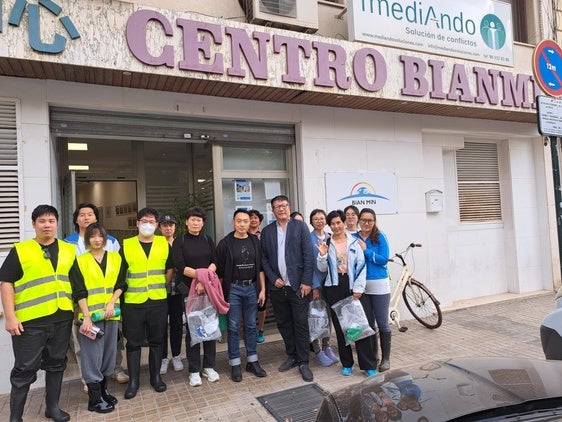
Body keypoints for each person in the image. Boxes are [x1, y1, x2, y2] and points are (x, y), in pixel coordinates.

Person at [0, 205, 76, 422]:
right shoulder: (21, 250)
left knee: (56, 364)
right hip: (30, 323)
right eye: (41, 221)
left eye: (51, 220)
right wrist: (10, 316)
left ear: (57, 223)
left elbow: (75, 283)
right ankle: (16, 417)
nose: (47, 225)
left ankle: (52, 408)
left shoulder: (68, 250)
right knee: (24, 370)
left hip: (61, 318)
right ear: (33, 224)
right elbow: (6, 283)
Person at [64, 203, 129, 386]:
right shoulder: (67, 243)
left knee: (113, 340)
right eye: (82, 214)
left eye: (90, 214)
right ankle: (88, 379)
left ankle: (114, 369)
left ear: (96, 218)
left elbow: (117, 274)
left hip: (110, 306)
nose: (86, 217)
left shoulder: (112, 242)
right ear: (76, 219)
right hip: (82, 304)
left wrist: (113, 302)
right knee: (84, 343)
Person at [71, 222, 126, 414]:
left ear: (105, 238)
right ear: (88, 239)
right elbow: (79, 291)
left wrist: (112, 303)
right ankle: (94, 400)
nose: (97, 239)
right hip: (90, 317)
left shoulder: (116, 258)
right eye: (92, 236)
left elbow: (121, 283)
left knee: (109, 352)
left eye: (100, 236)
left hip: (111, 314)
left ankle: (103, 392)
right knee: (91, 355)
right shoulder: (80, 261)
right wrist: (85, 316)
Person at [120, 208, 175, 399]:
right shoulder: (126, 245)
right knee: (133, 344)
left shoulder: (163, 244)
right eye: (144, 221)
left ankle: (155, 378)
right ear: (137, 223)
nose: (148, 225)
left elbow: (170, 269)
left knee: (156, 341)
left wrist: (161, 285)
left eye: (152, 221)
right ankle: (134, 382)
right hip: (133, 303)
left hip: (158, 301)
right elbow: (121, 274)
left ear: (157, 225)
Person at [317, 209, 378, 377]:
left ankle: (368, 364)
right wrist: (322, 256)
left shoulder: (354, 242)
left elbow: (361, 266)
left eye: (339, 222)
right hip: (333, 287)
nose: (336, 226)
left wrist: (358, 289)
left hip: (351, 286)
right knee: (341, 327)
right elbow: (322, 269)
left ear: (344, 223)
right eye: (333, 224)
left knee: (358, 325)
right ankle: (347, 363)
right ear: (329, 226)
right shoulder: (327, 243)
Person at [261, 195, 314, 382]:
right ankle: (291, 355)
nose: (281, 209)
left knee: (300, 323)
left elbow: (309, 256)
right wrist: (273, 278)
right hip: (278, 287)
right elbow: (264, 259)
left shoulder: (300, 227)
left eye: (283, 205)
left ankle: (304, 361)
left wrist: (307, 281)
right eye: (277, 207)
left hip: (298, 286)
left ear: (289, 207)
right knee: (283, 323)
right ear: (273, 211)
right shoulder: (267, 231)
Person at [216, 209, 267, 382]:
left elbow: (260, 267)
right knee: (233, 327)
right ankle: (235, 363)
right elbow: (220, 271)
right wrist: (222, 293)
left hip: (252, 288)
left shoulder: (255, 241)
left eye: (246, 221)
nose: (243, 224)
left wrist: (262, 289)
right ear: (233, 222)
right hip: (233, 290)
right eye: (239, 221)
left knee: (252, 326)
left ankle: (252, 361)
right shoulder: (225, 243)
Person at [172, 207, 220, 387]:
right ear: (186, 222)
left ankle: (209, 366)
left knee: (209, 326)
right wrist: (201, 279)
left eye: (199, 220)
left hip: (207, 290)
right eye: (192, 219)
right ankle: (193, 370)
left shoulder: (207, 239)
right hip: (189, 291)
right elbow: (180, 265)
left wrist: (204, 282)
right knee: (193, 329)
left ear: (203, 223)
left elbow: (215, 261)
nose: (196, 222)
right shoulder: (180, 241)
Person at [355, 208, 391, 372]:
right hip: (361, 286)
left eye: (370, 220)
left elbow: (384, 260)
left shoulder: (380, 237)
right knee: (368, 324)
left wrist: (366, 251)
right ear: (359, 220)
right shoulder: (353, 237)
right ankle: (372, 358)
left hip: (379, 284)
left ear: (374, 221)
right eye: (363, 220)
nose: (366, 223)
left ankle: (385, 359)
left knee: (382, 323)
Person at [309, 209, 339, 366]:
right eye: (316, 218)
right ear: (311, 221)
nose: (319, 221)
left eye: (321, 218)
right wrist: (314, 286)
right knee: (316, 318)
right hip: (317, 285)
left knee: (328, 317)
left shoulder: (330, 237)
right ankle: (317, 350)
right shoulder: (308, 239)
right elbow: (309, 265)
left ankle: (327, 347)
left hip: (330, 284)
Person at [158, 214, 185, 375]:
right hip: (160, 291)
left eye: (171, 225)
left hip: (178, 291)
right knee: (161, 326)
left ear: (175, 227)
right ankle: (163, 358)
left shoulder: (181, 243)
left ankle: (176, 355)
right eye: (165, 225)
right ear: (159, 227)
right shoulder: (155, 244)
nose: (168, 228)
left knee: (176, 325)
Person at [248, 209, 267, 343]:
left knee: (261, 305)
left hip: (263, 273)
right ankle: (250, 330)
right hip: (247, 273)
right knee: (248, 305)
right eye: (251, 218)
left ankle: (260, 330)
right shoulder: (243, 235)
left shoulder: (264, 234)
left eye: (256, 218)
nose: (253, 220)